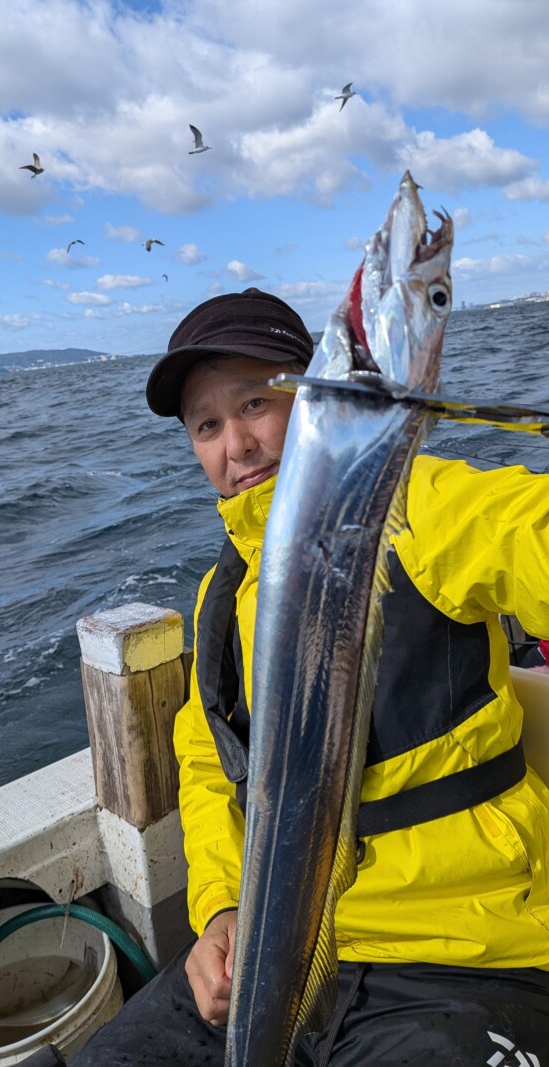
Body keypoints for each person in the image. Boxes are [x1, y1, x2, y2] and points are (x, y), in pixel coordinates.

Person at [64, 287, 549, 1067]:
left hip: (468, 951)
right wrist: (221, 904)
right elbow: (207, 762)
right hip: (270, 956)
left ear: (320, 397)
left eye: (257, 401)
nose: (237, 445)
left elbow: (525, 532)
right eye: (207, 425)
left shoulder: (416, 504)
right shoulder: (224, 595)